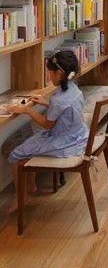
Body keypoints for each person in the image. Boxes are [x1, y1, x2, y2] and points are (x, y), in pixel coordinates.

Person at [6, 50, 88, 213]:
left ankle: (21, 195)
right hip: (78, 135)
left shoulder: (57, 99)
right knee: (30, 144)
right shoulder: (73, 89)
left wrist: (27, 110)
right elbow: (65, 109)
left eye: (49, 72)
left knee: (15, 155)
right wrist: (44, 103)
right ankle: (31, 186)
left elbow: (47, 125)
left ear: (59, 73)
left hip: (63, 142)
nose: (48, 76)